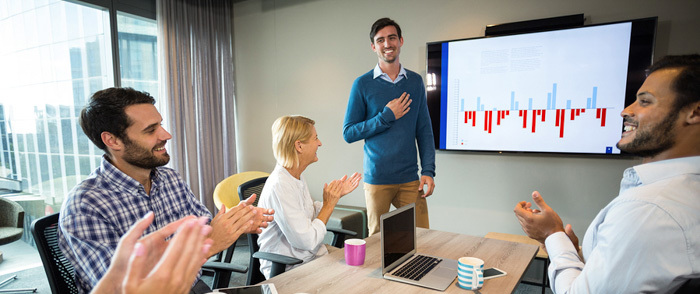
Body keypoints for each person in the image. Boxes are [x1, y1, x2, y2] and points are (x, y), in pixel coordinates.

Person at [58, 87, 274, 293]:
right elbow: (123, 288)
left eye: (160, 124)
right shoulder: (85, 205)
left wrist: (235, 222)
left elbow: (204, 229)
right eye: (151, 130)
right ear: (112, 140)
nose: (166, 135)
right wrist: (205, 247)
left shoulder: (169, 179)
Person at [514, 54, 700, 293]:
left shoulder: (650, 210)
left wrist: (552, 233)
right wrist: (573, 250)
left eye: (645, 101)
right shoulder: (681, 195)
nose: (625, 111)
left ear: (695, 112)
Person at [343, 17, 436, 236]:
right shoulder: (362, 84)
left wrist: (429, 171)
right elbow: (349, 132)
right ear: (373, 46)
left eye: (392, 38)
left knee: (422, 237)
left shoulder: (414, 82)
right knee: (377, 241)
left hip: (409, 178)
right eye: (381, 40)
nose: (387, 44)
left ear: (401, 41)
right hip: (378, 179)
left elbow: (424, 130)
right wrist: (385, 117)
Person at [257, 115, 361, 278]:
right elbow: (307, 240)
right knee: (356, 278)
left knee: (361, 268)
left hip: (312, 257)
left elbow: (306, 214)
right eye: (315, 138)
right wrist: (328, 205)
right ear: (299, 146)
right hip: (290, 268)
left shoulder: (295, 175)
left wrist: (333, 197)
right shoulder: (280, 185)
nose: (320, 143)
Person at [92, 213, 212, 294]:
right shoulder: (85, 205)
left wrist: (117, 275)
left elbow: (206, 222)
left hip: (195, 285)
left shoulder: (168, 176)